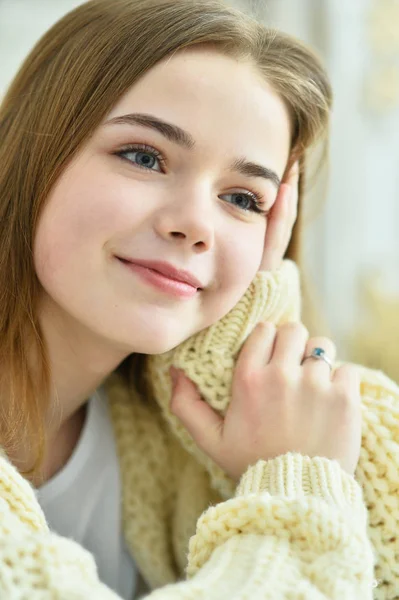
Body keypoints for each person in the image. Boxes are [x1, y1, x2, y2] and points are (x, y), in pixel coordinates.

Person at [0, 0, 397, 598]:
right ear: (34, 152)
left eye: (242, 199)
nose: (196, 225)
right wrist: (297, 482)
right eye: (143, 156)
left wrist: (234, 345)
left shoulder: (158, 419)